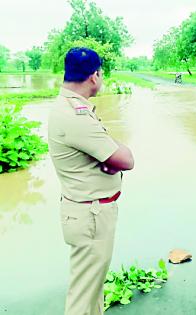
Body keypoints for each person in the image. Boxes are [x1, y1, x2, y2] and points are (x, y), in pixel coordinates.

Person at [48, 47, 134, 315]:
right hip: (91, 215)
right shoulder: (76, 116)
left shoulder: (69, 107)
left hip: (88, 211)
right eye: (101, 73)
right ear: (95, 76)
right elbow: (127, 160)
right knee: (83, 298)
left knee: (92, 289)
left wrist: (106, 151)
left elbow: (109, 153)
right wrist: (111, 151)